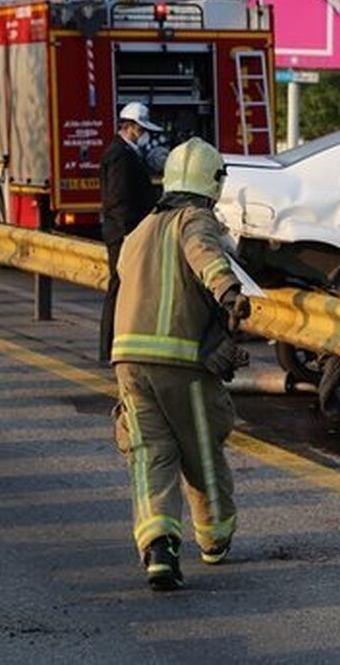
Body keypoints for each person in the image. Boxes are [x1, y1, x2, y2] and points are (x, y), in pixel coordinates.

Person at [111, 137, 252, 591]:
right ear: (213, 182)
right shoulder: (195, 219)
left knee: (151, 455)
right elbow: (204, 253)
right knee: (202, 452)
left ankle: (158, 547)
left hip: (128, 360)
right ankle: (214, 538)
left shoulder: (140, 231)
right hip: (181, 362)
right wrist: (228, 290)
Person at [99, 102, 161, 362]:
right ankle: (110, 346)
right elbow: (118, 199)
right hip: (123, 234)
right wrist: (130, 234)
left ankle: (116, 345)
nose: (144, 134)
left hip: (124, 232)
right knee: (120, 289)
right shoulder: (120, 155)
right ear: (131, 127)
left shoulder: (126, 152)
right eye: (141, 129)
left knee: (125, 289)